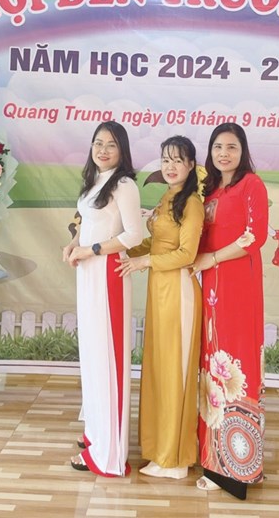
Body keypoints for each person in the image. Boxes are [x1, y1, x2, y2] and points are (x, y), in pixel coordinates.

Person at [117, 136, 204, 479]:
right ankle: (160, 451)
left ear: (191, 165)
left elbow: (187, 254)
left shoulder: (192, 203)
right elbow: (155, 242)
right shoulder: (169, 197)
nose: (170, 166)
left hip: (179, 291)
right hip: (160, 291)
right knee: (159, 370)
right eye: (166, 159)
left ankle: (176, 460)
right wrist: (121, 252)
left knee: (173, 373)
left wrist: (145, 262)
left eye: (178, 160)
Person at [191, 122, 269, 500]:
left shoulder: (251, 185)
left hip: (239, 286)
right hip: (211, 288)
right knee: (212, 367)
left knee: (237, 367)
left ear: (243, 151)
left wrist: (213, 259)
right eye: (218, 147)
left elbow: (255, 236)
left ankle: (237, 468)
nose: (224, 153)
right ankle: (214, 457)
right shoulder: (211, 190)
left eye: (232, 147)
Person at [63, 121, 144, 477]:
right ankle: (96, 434)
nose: (103, 150)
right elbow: (86, 221)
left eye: (111, 144)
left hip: (108, 273)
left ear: (122, 150)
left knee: (107, 359)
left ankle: (110, 453)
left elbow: (134, 235)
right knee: (93, 357)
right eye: (98, 143)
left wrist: (91, 249)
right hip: (88, 272)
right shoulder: (95, 180)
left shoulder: (124, 184)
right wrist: (73, 244)